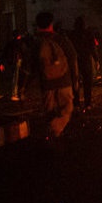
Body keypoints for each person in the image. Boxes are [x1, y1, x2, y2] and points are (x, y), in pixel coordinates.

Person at [30, 11, 78, 140]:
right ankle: (55, 130)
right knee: (67, 109)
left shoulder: (36, 43)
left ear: (38, 26)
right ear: (51, 24)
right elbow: (72, 57)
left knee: (49, 112)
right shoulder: (60, 40)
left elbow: (31, 66)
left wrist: (25, 86)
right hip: (64, 81)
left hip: (47, 84)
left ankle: (53, 135)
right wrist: (75, 79)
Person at [70, 16, 99, 111]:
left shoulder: (72, 34)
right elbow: (93, 47)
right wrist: (96, 59)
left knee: (76, 82)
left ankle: (76, 103)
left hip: (75, 60)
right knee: (87, 82)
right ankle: (87, 103)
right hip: (86, 59)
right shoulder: (88, 34)